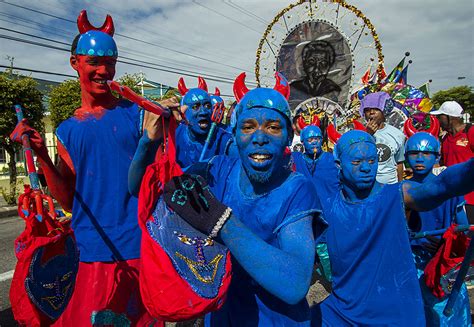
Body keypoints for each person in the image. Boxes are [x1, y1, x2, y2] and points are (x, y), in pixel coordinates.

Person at [10, 11, 176, 326]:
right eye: (94, 63)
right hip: (88, 251)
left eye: (110, 63)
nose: (103, 71)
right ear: (75, 63)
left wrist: (170, 113)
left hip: (139, 247)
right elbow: (68, 201)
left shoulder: (138, 115)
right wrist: (43, 157)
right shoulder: (67, 130)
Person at [129, 73, 327, 326]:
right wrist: (148, 141)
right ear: (234, 134)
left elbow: (295, 284)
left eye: (273, 127)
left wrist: (222, 223)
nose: (260, 137)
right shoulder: (217, 170)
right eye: (248, 127)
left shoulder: (296, 189)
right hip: (223, 317)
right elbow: (142, 189)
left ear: (288, 137)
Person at [312, 129, 474, 326]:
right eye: (356, 162)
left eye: (372, 161)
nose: (366, 168)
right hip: (343, 312)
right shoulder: (327, 209)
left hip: (395, 314)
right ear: (338, 164)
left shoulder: (395, 195)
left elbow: (440, 186)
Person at [404, 132, 471, 326]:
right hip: (411, 261)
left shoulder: (450, 191)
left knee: (448, 314)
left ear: (437, 157)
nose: (419, 158)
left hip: (443, 263)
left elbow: (463, 228)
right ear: (406, 156)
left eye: (426, 153)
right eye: (414, 153)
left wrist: (447, 243)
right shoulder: (400, 190)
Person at [291, 124, 339, 282]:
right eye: (310, 139)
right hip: (306, 216)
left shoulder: (332, 160)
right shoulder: (296, 160)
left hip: (330, 215)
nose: (314, 142)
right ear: (303, 142)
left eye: (317, 139)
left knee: (329, 249)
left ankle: (333, 282)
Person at [175, 77, 234, 169]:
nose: (203, 112)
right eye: (195, 106)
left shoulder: (225, 140)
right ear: (184, 113)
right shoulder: (173, 135)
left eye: (207, 106)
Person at [431, 100, 474, 223]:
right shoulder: (445, 139)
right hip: (451, 197)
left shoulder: (470, 132)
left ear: (450, 117)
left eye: (441, 117)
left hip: (470, 198)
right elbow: (443, 164)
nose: (438, 120)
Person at [360, 91, 405, 184]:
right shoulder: (358, 134)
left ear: (384, 111)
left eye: (376, 109)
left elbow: (399, 162)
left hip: (391, 185)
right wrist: (369, 135)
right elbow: (359, 156)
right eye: (368, 110)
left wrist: (400, 186)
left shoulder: (397, 134)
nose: (371, 112)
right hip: (367, 185)